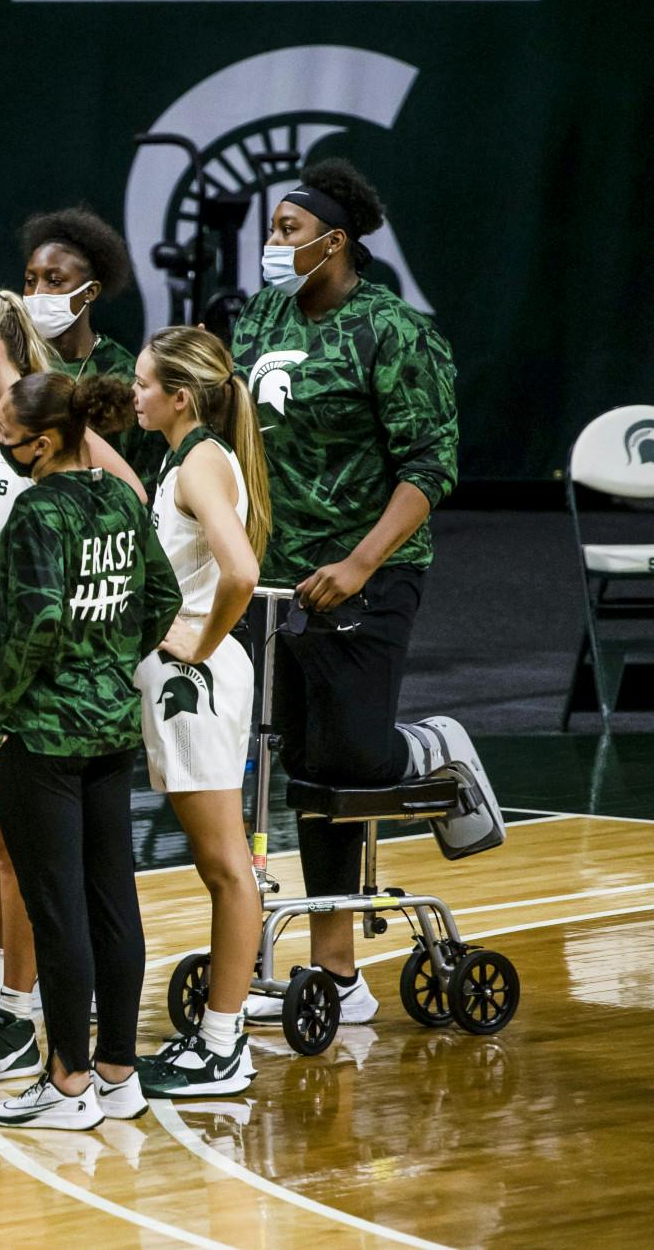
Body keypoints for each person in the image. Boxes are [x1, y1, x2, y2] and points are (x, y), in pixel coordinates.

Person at [231, 159, 491, 1026]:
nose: (273, 244)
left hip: (368, 571)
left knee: (347, 755)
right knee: (305, 762)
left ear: (334, 242)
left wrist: (360, 564)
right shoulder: (263, 314)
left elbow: (431, 464)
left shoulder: (391, 329)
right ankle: (338, 976)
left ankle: (424, 750)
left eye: (288, 230)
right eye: (272, 228)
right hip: (274, 577)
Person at [0, 288, 149, 1091]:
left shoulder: (57, 426)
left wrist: (100, 619)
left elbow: (132, 511)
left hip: (35, 654)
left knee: (16, 852)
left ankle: (22, 1016)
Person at [0, 371, 180, 1133]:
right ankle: (118, 1071)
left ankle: (65, 1082)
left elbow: (32, 625)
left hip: (45, 734)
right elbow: (161, 596)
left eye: (6, 434)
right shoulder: (121, 497)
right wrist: (110, 659)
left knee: (57, 909)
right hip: (112, 727)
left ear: (45, 441)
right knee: (110, 899)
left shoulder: (36, 513)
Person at [128, 326, 272, 1096]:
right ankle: (220, 1036)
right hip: (188, 676)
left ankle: (223, 1043)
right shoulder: (185, 457)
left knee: (225, 864)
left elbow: (241, 568)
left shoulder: (203, 462)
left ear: (180, 396)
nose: (134, 392)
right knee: (217, 862)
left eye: (145, 382)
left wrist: (200, 643)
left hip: (199, 682)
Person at [18, 207, 164, 488]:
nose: (38, 293)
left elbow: (142, 478)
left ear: (90, 291)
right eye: (30, 281)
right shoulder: (15, 362)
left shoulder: (124, 374)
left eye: (55, 281)